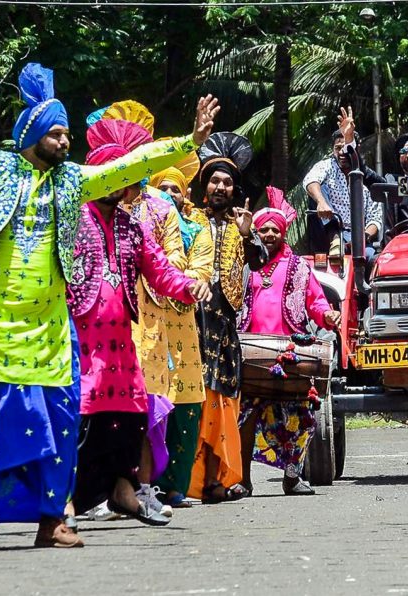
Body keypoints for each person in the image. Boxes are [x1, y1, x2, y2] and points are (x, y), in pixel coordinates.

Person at [0, 62, 218, 547]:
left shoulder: (74, 182)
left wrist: (185, 143)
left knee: (57, 429)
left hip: (46, 334)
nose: (66, 144)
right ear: (32, 134)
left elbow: (128, 167)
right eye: (57, 134)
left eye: (67, 135)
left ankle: (52, 521)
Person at [68, 117, 211, 526]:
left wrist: (189, 287)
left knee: (131, 416)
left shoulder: (133, 225)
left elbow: (161, 270)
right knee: (82, 417)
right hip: (80, 339)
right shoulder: (73, 220)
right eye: (110, 175)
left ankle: (125, 492)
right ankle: (70, 502)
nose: (118, 184)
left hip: (122, 343)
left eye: (124, 176)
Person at [237, 190, 341, 495]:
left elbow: (317, 303)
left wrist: (328, 317)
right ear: (256, 233)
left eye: (275, 230)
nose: (269, 234)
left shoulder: (299, 267)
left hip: (289, 353)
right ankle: (243, 479)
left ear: (283, 234)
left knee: (297, 417)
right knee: (245, 419)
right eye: (264, 230)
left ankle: (292, 476)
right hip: (250, 351)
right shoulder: (244, 266)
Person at [189, 132, 268, 503]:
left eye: (227, 182)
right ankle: (190, 481)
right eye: (215, 180)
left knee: (222, 400)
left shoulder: (241, 228)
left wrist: (247, 234)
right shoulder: (189, 222)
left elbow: (260, 261)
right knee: (195, 398)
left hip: (223, 329)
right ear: (204, 187)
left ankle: (217, 478)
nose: (221, 186)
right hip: (191, 324)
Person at [150, 152, 215, 509]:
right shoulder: (144, 222)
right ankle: (149, 484)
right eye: (164, 188)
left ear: (186, 194)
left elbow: (201, 269)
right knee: (152, 404)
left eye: (176, 189)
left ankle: (176, 486)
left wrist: (176, 283)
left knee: (186, 408)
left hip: (184, 325)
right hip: (148, 324)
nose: (170, 195)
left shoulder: (198, 227)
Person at [303, 108, 384, 257]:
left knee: (374, 259)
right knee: (319, 189)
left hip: (360, 238)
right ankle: (335, 240)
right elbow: (310, 179)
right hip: (328, 235)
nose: (341, 153)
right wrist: (321, 202)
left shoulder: (366, 176)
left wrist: (362, 239)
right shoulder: (326, 166)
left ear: (356, 149)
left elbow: (375, 219)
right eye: (337, 148)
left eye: (345, 148)